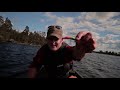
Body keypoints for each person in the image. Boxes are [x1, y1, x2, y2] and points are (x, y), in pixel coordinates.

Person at [28, 25, 97, 78]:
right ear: (47, 39)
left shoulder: (66, 49)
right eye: (50, 38)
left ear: (61, 40)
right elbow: (35, 65)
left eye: (56, 39)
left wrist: (82, 48)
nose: (53, 42)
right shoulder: (43, 50)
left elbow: (76, 54)